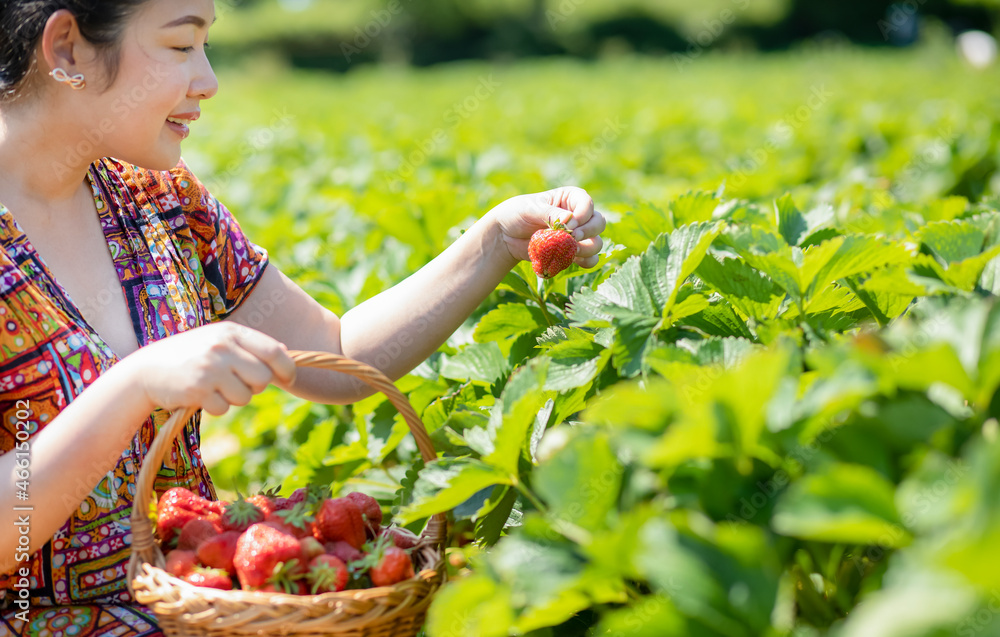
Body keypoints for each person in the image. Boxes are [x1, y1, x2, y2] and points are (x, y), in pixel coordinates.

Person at [0, 0, 606, 634]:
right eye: (181, 47)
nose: (208, 80)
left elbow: (336, 352)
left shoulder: (161, 201)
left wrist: (497, 242)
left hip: (201, 610)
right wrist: (135, 384)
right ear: (67, 48)